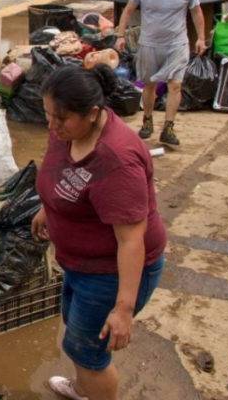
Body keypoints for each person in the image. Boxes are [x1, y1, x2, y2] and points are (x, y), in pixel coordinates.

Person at [32, 65, 167, 400]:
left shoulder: (116, 160)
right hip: (80, 263)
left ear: (93, 114)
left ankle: (91, 386)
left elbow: (130, 240)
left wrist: (123, 308)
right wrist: (49, 207)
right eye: (48, 115)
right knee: (78, 337)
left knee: (87, 352)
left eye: (60, 119)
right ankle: (83, 390)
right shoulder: (68, 130)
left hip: (110, 273)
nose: (52, 126)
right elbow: (63, 173)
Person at [114, 0, 206, 148]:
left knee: (175, 85)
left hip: (177, 44)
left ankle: (168, 128)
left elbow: (197, 12)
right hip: (149, 44)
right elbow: (128, 10)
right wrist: (120, 35)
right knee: (149, 85)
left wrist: (201, 38)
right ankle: (147, 120)